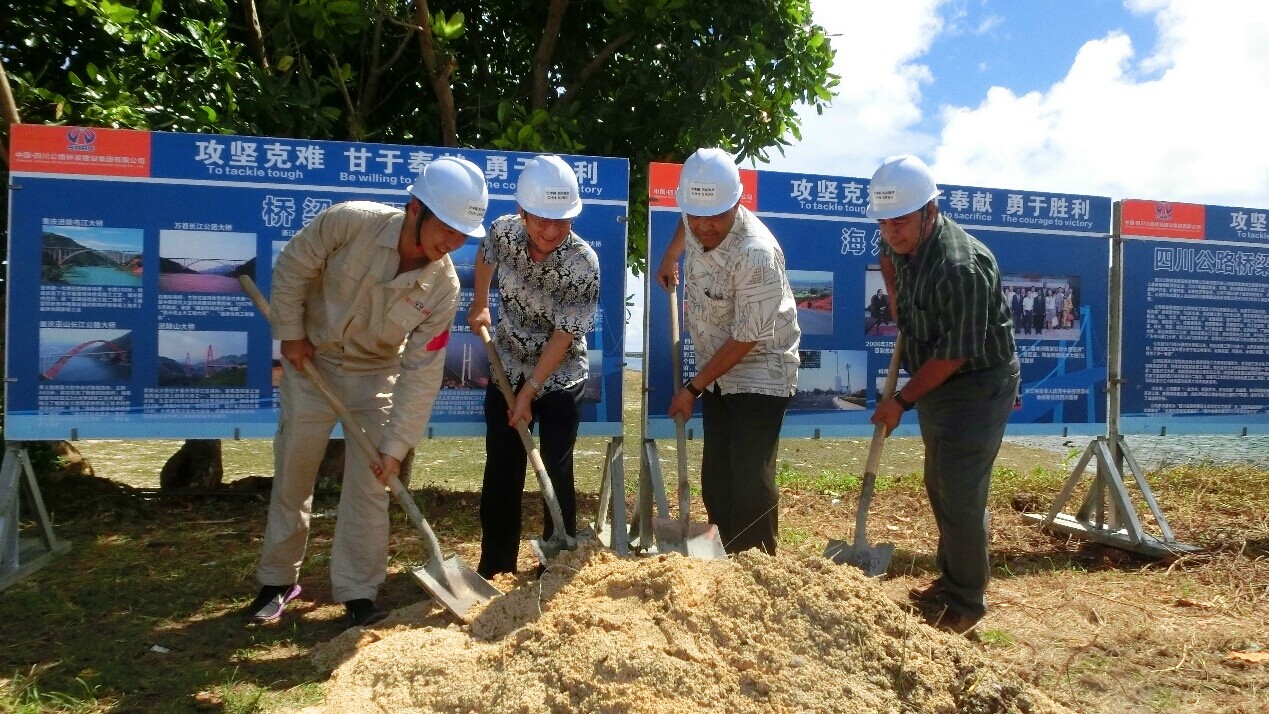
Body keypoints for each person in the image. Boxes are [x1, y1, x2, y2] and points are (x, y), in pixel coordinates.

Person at [246, 156, 489, 628]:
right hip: (311, 365)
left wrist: (397, 446)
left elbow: (422, 372)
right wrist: (291, 334)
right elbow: (294, 267)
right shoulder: (349, 222)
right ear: (415, 208)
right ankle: (276, 581)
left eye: (463, 235)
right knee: (294, 474)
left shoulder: (442, 288)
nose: (451, 243)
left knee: (372, 486)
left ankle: (358, 593)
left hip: (376, 377)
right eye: (447, 229)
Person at [866, 154, 1019, 636]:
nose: (891, 232)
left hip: (975, 381)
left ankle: (966, 601)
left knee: (959, 490)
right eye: (884, 222)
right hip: (934, 377)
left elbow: (955, 353)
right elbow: (886, 256)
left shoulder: (961, 266)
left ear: (930, 211)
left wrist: (900, 402)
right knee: (941, 482)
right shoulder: (896, 237)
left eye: (900, 222)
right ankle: (952, 579)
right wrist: (897, 298)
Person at [656, 148, 801, 555]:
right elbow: (689, 222)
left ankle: (756, 565)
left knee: (749, 476)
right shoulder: (698, 217)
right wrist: (670, 255)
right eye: (695, 215)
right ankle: (726, 557)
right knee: (717, 477)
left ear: (736, 203)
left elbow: (746, 338)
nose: (703, 226)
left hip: (761, 365)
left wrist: (692, 388)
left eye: (715, 216)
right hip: (717, 367)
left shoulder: (756, 252)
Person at [467, 155, 600, 578]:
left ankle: (555, 564)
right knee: (502, 468)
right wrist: (480, 302)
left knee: (555, 468)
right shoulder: (503, 231)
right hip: (507, 364)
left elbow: (564, 336)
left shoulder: (583, 264)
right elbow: (486, 254)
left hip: (560, 375)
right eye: (541, 219)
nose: (551, 231)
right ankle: (495, 566)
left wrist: (530, 392)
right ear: (522, 211)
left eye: (562, 221)